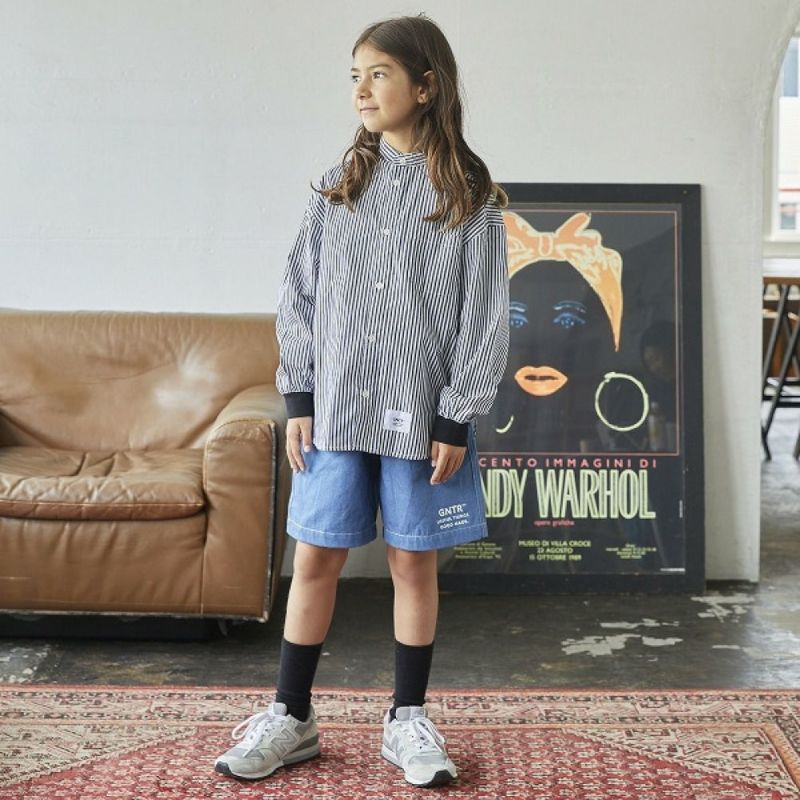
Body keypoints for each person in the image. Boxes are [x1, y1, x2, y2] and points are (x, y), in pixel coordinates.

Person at [214, 12, 510, 789]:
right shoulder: (338, 187)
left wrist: (457, 414)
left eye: (378, 74)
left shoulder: (470, 199)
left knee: (413, 560)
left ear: (426, 86)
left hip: (423, 414)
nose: (361, 90)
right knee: (316, 554)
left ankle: (407, 718)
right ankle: (291, 716)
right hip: (337, 409)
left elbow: (484, 316)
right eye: (355, 76)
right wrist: (300, 394)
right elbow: (299, 296)